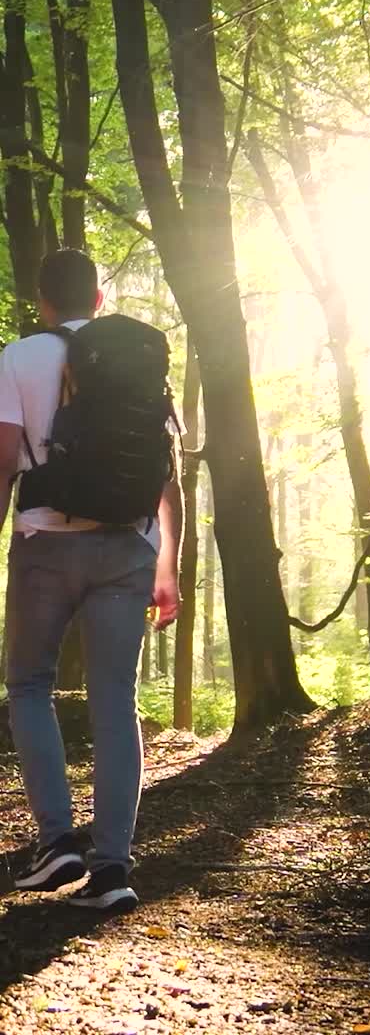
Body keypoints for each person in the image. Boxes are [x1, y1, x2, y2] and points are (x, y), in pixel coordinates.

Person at [0, 249, 182, 912]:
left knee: (28, 684)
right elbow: (168, 474)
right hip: (127, 548)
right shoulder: (138, 357)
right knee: (115, 704)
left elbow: (2, 464)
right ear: (100, 299)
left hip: (46, 542)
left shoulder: (18, 357)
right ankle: (111, 872)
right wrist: (169, 565)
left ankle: (58, 842)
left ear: (42, 302)